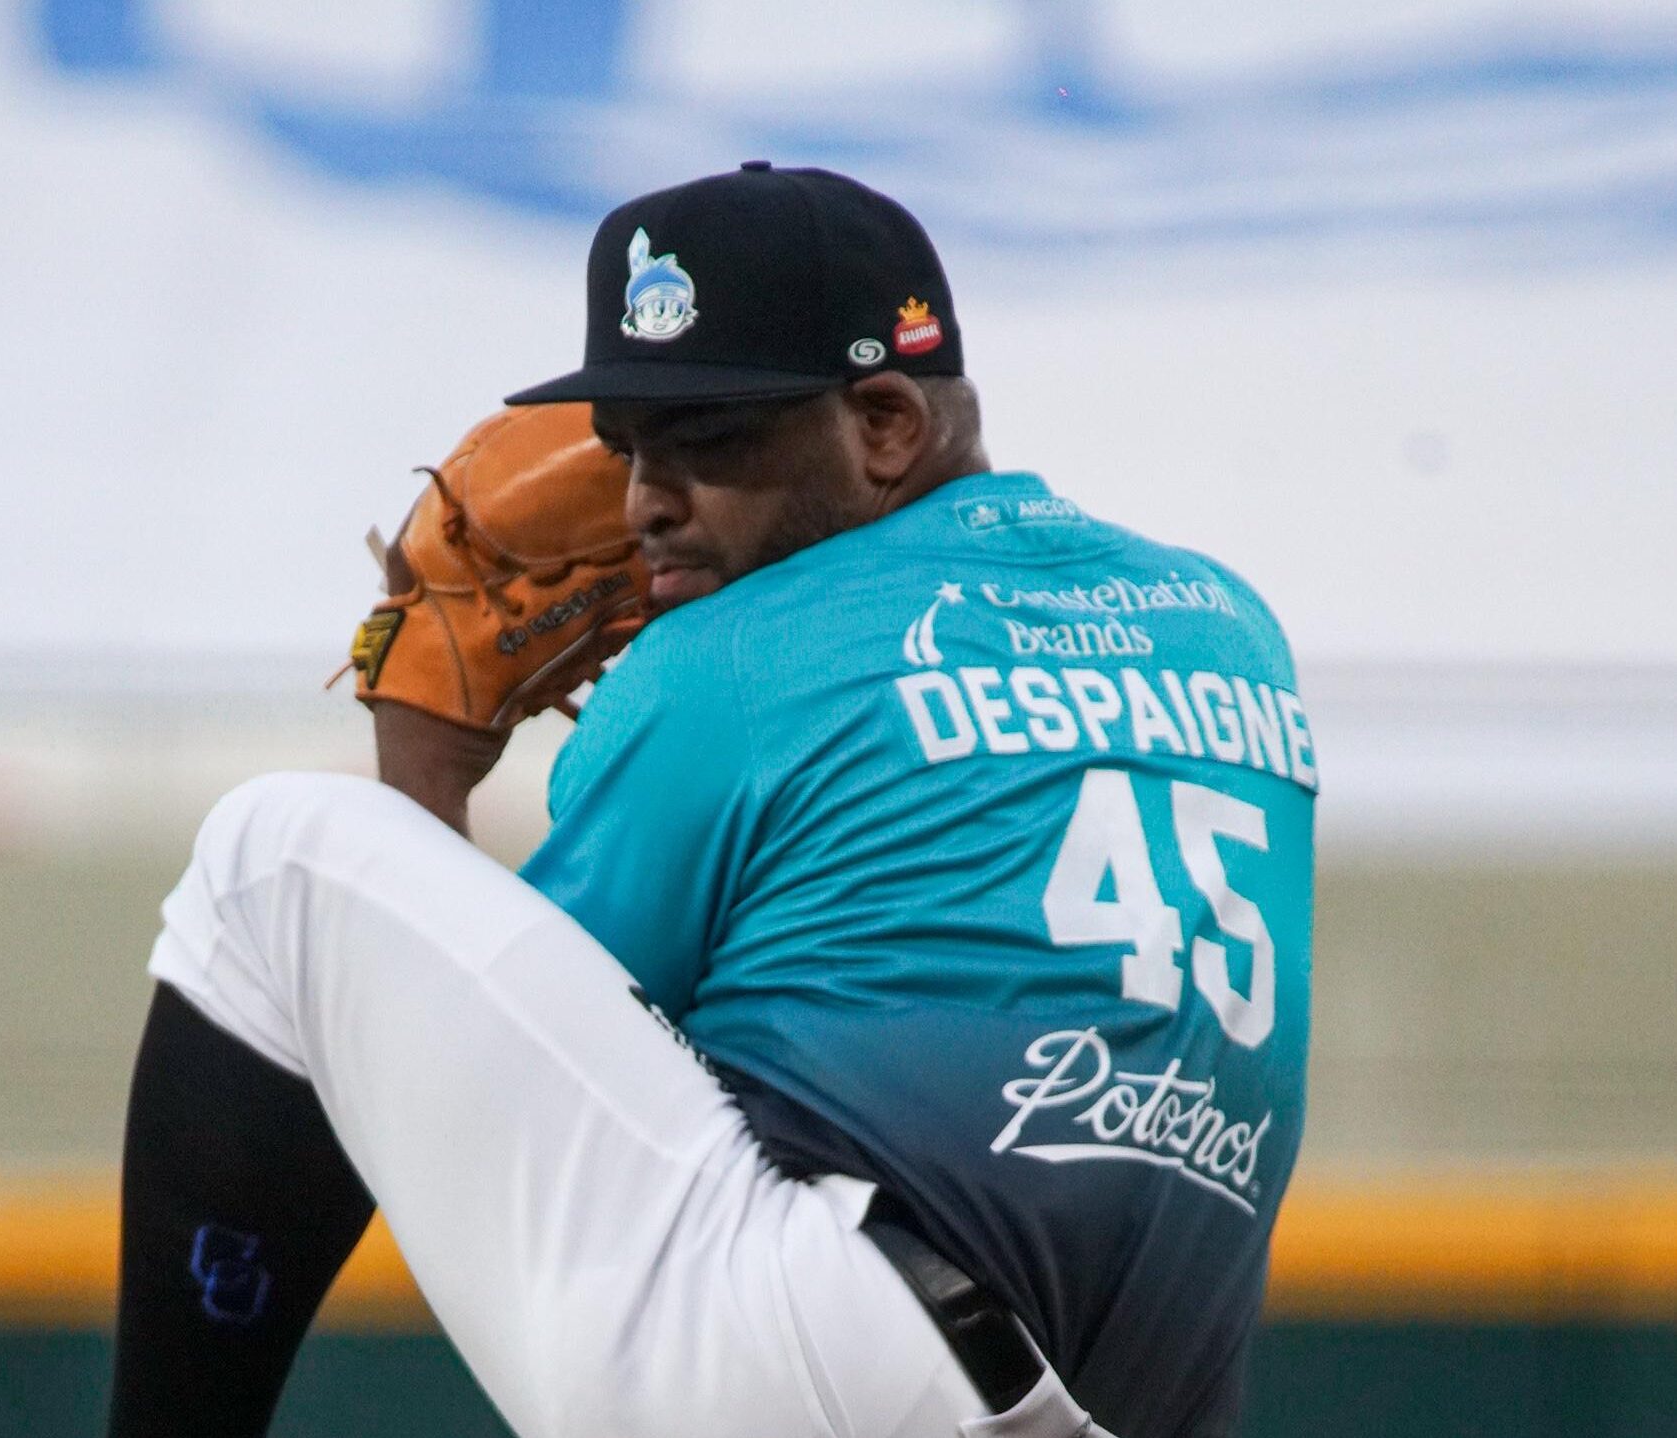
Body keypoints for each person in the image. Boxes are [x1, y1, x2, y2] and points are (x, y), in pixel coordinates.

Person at [107, 164, 1317, 1438]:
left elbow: (511, 1105)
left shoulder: (727, 662)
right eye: (630, 448)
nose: (644, 506)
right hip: (1128, 1407)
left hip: (822, 1358)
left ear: (888, 425)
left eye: (713, 439)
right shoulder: (1229, 628)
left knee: (272, 866)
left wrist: (426, 754)